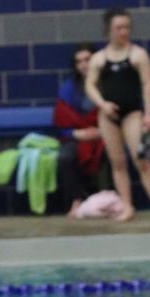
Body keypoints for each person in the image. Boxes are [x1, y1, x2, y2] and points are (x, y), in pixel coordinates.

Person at [84, 8, 150, 222]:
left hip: (132, 114)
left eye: (127, 27)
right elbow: (90, 86)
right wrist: (102, 105)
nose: (124, 32)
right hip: (108, 117)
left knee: (141, 161)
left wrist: (148, 115)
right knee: (118, 163)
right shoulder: (99, 59)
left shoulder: (137, 54)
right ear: (108, 30)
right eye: (119, 27)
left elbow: (147, 85)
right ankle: (127, 208)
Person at [53, 44, 107, 216]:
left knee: (111, 155)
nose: (83, 64)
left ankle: (106, 200)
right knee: (65, 157)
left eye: (87, 59)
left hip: (105, 136)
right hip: (77, 137)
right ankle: (77, 200)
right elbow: (61, 122)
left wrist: (102, 132)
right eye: (79, 61)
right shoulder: (68, 89)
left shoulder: (107, 85)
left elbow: (118, 115)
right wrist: (77, 134)